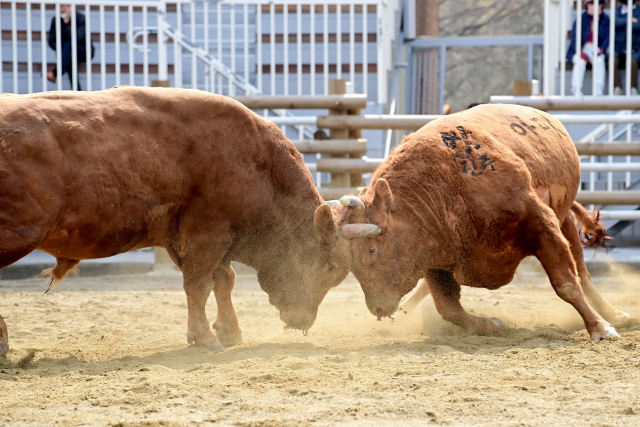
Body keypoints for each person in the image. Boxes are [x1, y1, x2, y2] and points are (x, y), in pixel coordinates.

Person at [566, 0, 610, 96]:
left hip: (596, 49)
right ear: (587, 5)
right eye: (592, 3)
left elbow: (608, 37)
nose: (595, 6)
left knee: (599, 61)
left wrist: (601, 49)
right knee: (580, 62)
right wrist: (580, 51)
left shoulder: (605, 19)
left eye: (599, 3)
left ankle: (598, 90)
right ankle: (576, 90)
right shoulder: (581, 18)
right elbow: (575, 38)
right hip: (581, 48)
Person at [47, 4, 95, 90]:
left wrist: (67, 23)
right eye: (61, 6)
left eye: (67, 6)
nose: (64, 9)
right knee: (68, 56)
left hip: (83, 50)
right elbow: (52, 41)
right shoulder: (56, 20)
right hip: (67, 52)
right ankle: (78, 92)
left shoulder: (80, 18)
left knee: (68, 47)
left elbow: (77, 37)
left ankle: (55, 73)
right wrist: (63, 49)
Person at [613, 0, 640, 95]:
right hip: (619, 47)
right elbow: (614, 22)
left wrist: (623, 22)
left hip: (635, 48)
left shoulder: (638, 10)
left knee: (632, 61)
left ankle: (633, 88)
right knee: (612, 60)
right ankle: (617, 88)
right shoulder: (618, 9)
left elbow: (638, 25)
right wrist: (629, 20)